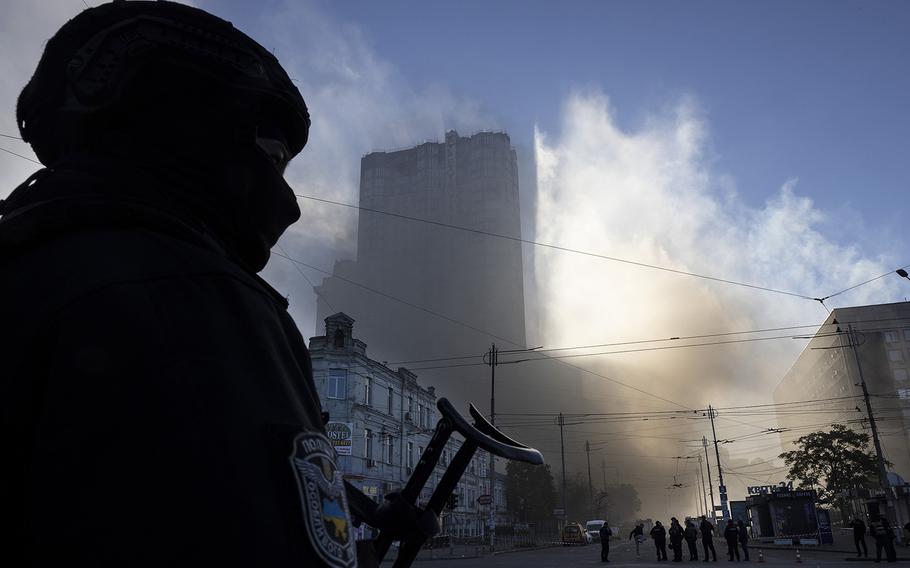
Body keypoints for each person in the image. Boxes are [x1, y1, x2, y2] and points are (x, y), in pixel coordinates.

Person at [0, 2, 358, 567]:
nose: (284, 198)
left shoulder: (28, 260)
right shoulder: (209, 298)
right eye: (270, 156)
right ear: (198, 127)